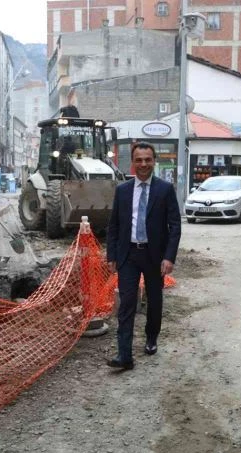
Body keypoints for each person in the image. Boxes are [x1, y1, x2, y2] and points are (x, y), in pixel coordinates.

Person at [106, 142, 182, 371]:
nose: (143, 164)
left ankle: (151, 337)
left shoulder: (165, 189)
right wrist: (112, 255)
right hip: (128, 255)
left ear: (154, 161)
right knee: (127, 303)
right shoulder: (122, 190)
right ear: (132, 162)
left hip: (154, 256)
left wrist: (169, 258)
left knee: (154, 301)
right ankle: (124, 355)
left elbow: (175, 226)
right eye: (139, 160)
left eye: (148, 159)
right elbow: (114, 226)